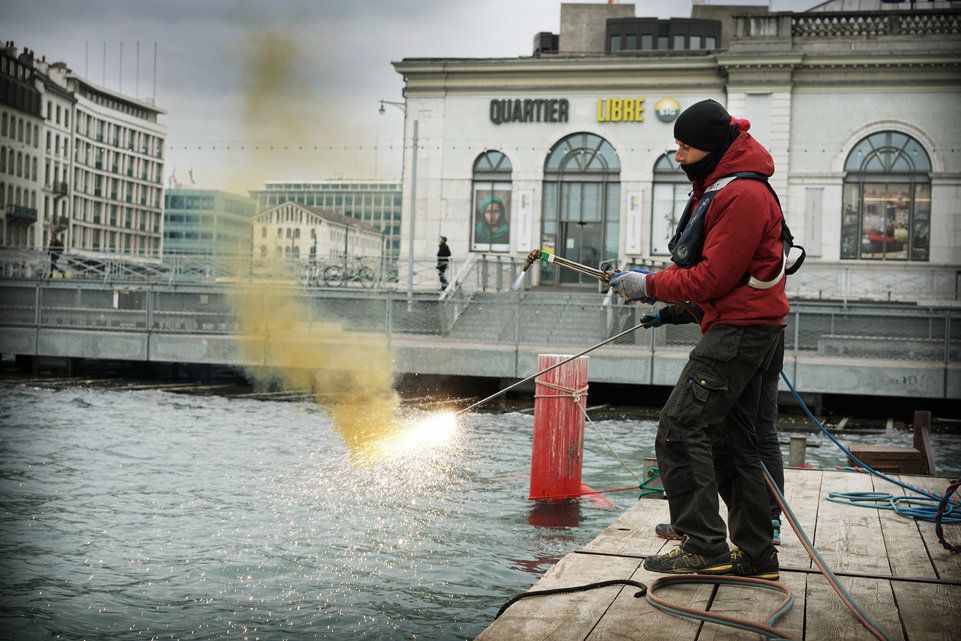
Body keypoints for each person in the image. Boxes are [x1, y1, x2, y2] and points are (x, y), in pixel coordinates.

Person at [611, 99, 789, 580]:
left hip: (740, 333)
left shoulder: (740, 196)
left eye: (685, 148)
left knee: (679, 428)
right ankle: (755, 555)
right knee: (736, 445)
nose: (679, 156)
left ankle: (703, 545)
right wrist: (672, 308)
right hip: (751, 327)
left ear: (711, 149)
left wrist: (646, 285)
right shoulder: (728, 186)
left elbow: (711, 278)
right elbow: (726, 279)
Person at [644, 302, 786, 546]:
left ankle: (699, 534)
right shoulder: (772, 271)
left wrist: (654, 292)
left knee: (683, 427)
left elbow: (709, 287)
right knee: (752, 437)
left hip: (736, 343)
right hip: (764, 344)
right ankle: (762, 531)